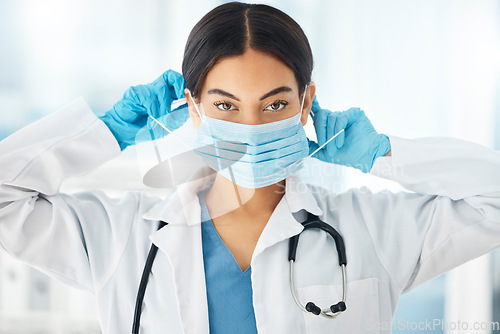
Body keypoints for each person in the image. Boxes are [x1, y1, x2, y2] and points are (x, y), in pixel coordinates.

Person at [0, 2, 499, 333]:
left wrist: (383, 153)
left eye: (276, 104)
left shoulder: (373, 229)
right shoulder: (121, 235)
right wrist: (108, 132)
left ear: (308, 105)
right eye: (226, 106)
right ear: (193, 109)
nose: (253, 125)